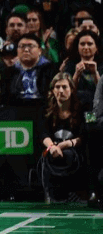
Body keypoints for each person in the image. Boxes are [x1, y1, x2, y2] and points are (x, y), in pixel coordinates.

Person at [37, 73, 85, 203]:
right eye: (57, 87)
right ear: (53, 90)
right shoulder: (45, 109)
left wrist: (66, 144)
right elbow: (43, 133)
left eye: (65, 87)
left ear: (71, 89)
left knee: (69, 155)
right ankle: (50, 193)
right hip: (53, 148)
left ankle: (76, 193)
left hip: (74, 149)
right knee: (47, 157)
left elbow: (85, 135)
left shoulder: (82, 107)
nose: (61, 91)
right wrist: (52, 147)